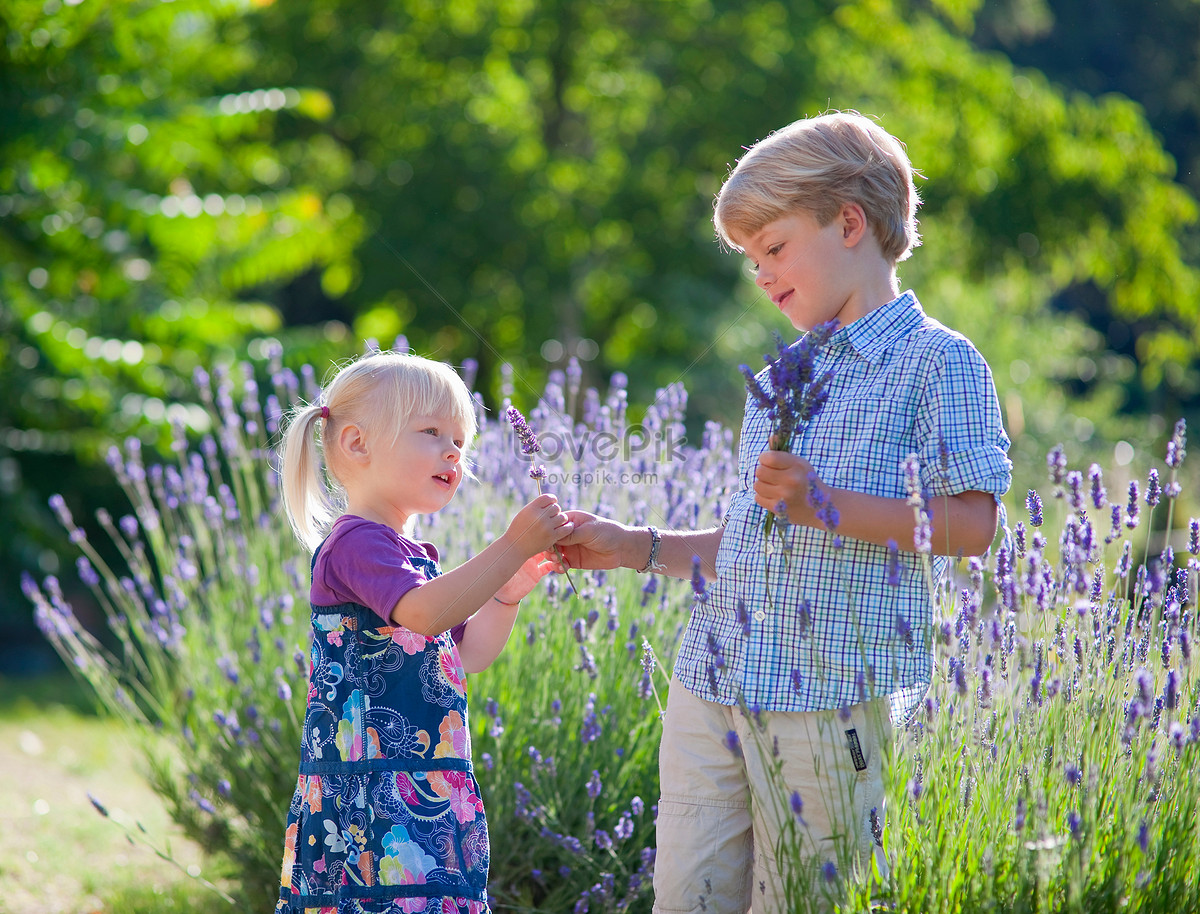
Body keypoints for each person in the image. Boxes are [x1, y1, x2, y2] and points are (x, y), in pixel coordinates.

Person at [559, 111, 1012, 913]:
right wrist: (634, 545)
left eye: (773, 248)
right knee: (686, 898)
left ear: (849, 223)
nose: (762, 275)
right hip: (714, 684)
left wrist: (823, 504)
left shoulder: (939, 362)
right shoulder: (782, 375)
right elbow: (750, 542)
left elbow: (974, 526)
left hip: (830, 703)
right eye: (749, 260)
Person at [274, 350, 573, 914]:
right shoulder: (357, 544)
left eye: (461, 440)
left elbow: (468, 654)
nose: (453, 452)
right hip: (368, 801)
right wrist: (511, 545)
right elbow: (425, 616)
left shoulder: (411, 560)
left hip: (422, 789)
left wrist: (505, 594)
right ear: (357, 444)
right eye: (431, 432)